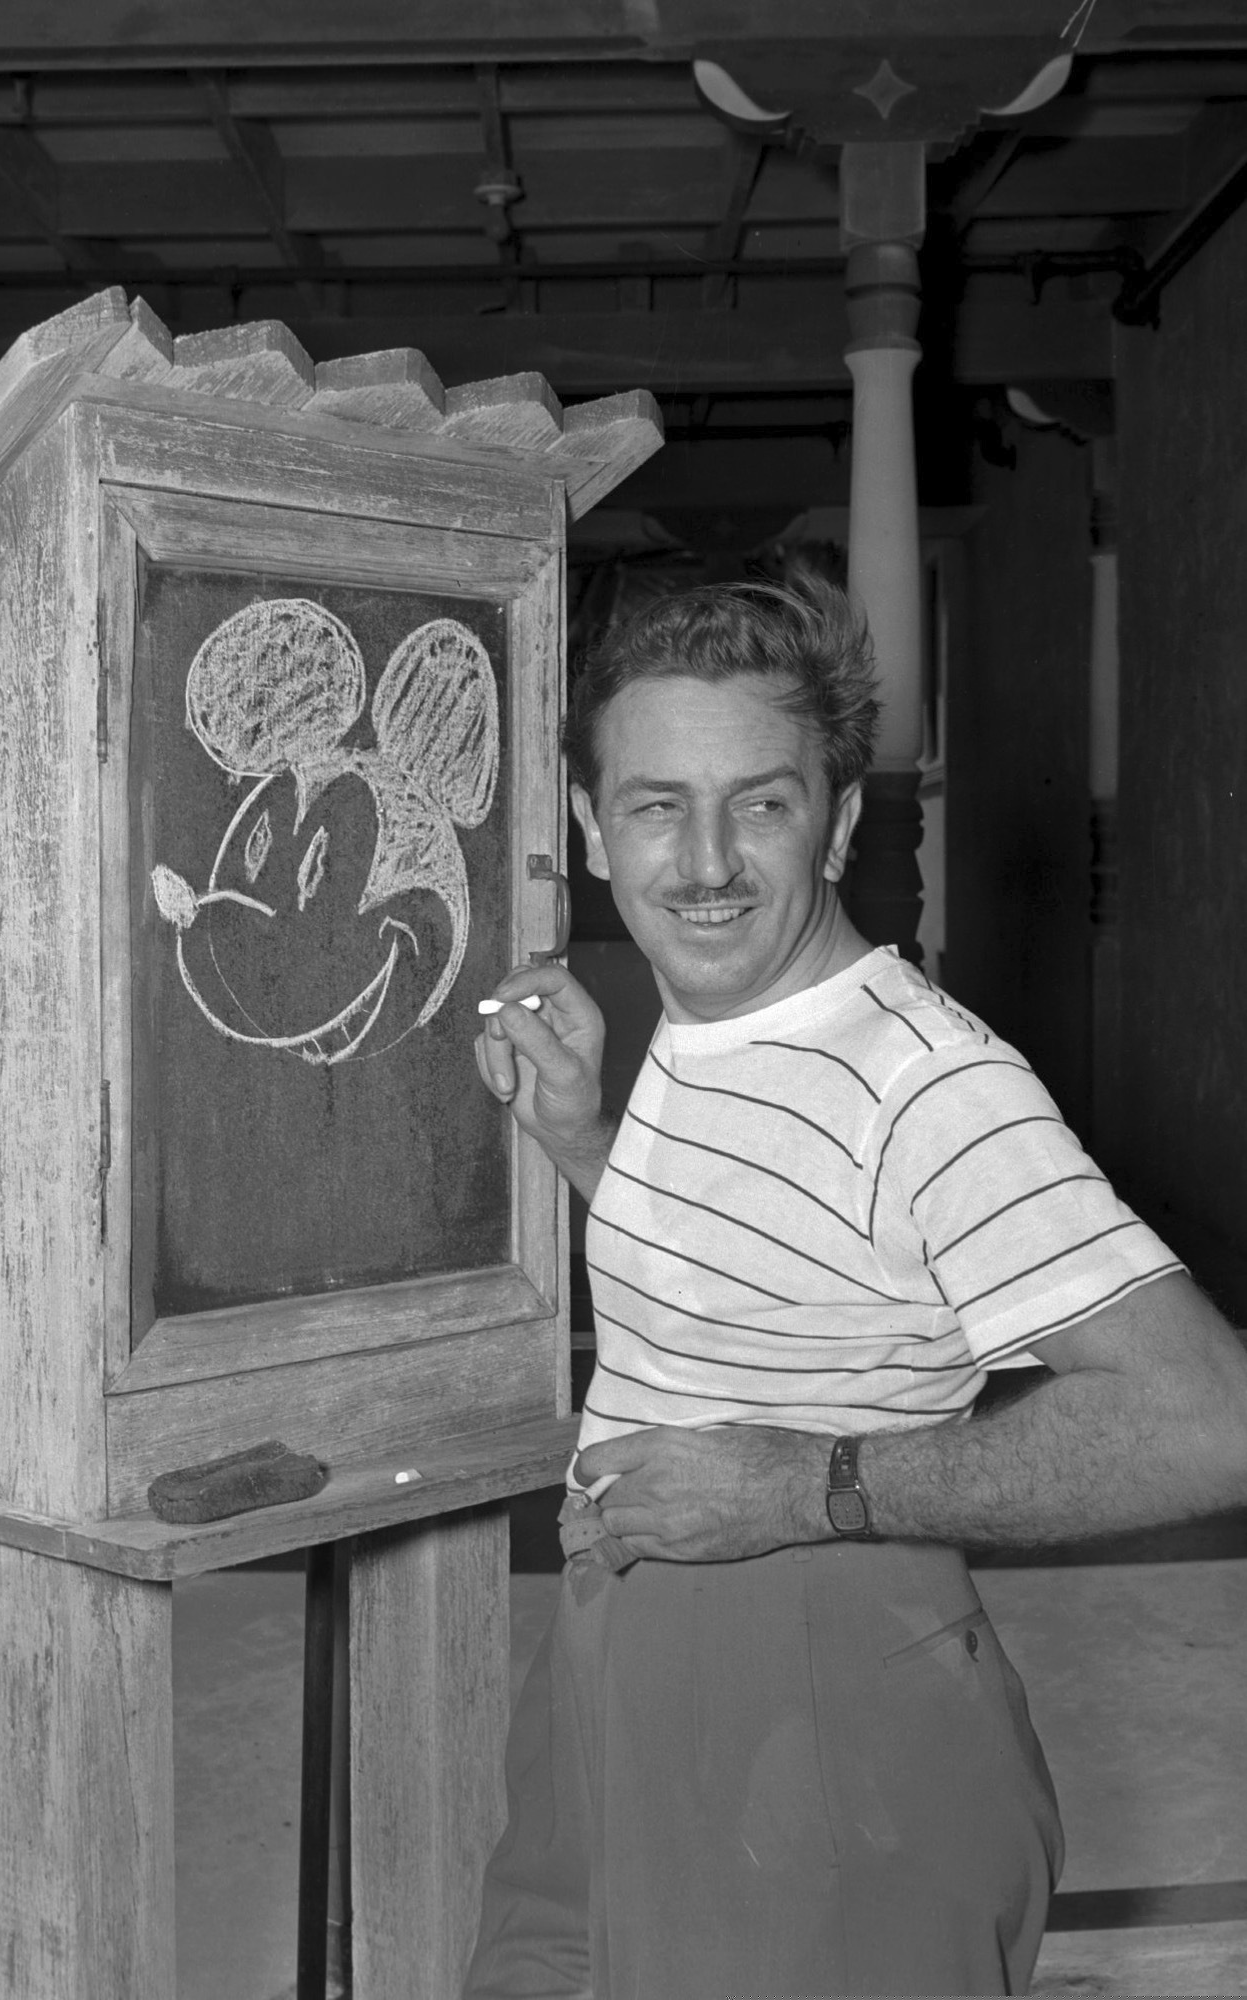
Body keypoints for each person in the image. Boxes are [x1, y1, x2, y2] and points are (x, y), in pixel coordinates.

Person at [464, 577, 1247, 1999]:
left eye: (760, 803)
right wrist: (586, 1136)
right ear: (589, 830)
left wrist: (798, 1490)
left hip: (821, 1704)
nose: (703, 861)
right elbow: (793, 1285)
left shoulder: (932, 1086)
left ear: (840, 819)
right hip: (623, 1640)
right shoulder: (712, 1029)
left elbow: (1212, 1419)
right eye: (654, 806)